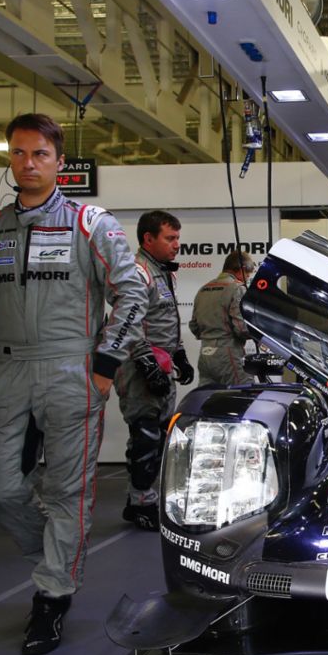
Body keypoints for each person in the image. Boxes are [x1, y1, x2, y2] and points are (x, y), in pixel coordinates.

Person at [0, 112, 145, 655]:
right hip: (7, 373)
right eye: (19, 153)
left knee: (67, 492)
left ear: (60, 163)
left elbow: (131, 294)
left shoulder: (91, 223)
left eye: (39, 154)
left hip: (72, 370)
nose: (28, 163)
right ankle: (60, 551)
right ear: (9, 159)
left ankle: (52, 596)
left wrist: (104, 365)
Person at [117, 210, 191, 531]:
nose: (177, 245)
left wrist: (181, 355)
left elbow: (162, 321)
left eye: (177, 238)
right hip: (139, 367)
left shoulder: (165, 272)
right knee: (145, 436)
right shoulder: (137, 272)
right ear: (148, 239)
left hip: (162, 365)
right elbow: (128, 323)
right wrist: (148, 366)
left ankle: (144, 498)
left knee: (160, 437)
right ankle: (140, 502)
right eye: (170, 238)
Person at [189, 250, 256, 386]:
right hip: (229, 355)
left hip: (205, 355)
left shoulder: (203, 289)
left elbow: (194, 326)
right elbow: (241, 329)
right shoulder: (237, 288)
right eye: (248, 275)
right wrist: (258, 331)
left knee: (208, 401)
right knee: (242, 398)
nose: (247, 279)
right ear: (242, 270)